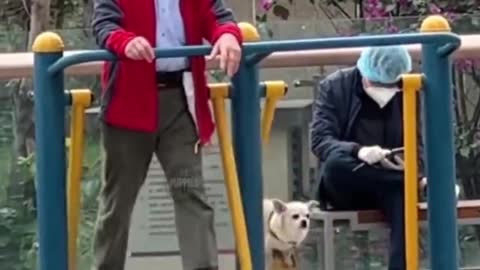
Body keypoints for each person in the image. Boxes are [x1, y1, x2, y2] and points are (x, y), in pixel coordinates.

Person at [91, 0, 242, 270]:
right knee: (119, 201)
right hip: (129, 108)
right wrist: (124, 41)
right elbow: (104, 25)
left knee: (189, 189)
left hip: (181, 102)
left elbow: (218, 16)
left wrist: (228, 34)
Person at [310, 45, 422, 270]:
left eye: (390, 84)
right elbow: (321, 140)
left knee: (404, 200)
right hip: (350, 181)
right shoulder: (335, 87)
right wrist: (356, 151)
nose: (384, 89)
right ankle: (415, 182)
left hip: (393, 184)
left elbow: (425, 142)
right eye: (378, 83)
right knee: (334, 165)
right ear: (364, 73)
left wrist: (412, 163)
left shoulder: (411, 89)